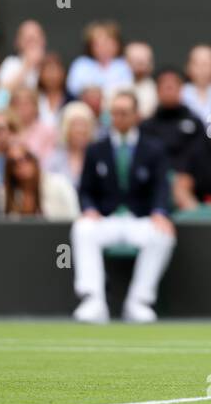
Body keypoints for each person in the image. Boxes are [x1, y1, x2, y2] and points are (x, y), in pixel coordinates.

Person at [72, 91, 176, 323]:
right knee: (82, 229)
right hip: (106, 220)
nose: (118, 118)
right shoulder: (95, 149)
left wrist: (159, 213)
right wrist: (88, 208)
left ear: (136, 116)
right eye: (114, 113)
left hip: (139, 220)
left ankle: (139, 302)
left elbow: (162, 186)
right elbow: (85, 189)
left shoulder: (154, 149)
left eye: (124, 113)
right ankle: (93, 300)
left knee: (163, 234)